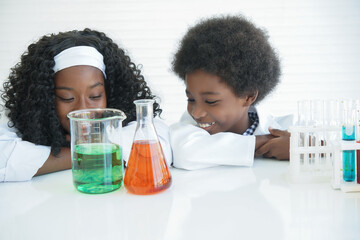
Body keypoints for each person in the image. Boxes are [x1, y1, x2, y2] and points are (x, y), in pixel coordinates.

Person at [0, 28, 172, 182]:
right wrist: (87, 150)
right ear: (44, 98)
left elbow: (161, 147)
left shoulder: (132, 121)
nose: (83, 110)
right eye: (67, 98)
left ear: (110, 92)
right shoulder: (24, 123)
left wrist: (90, 143)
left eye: (95, 96)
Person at [170, 15, 293, 170]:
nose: (197, 112)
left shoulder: (287, 126)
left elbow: (329, 143)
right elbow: (186, 153)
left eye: (210, 101)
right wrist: (268, 142)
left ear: (248, 96)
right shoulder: (187, 128)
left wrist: (306, 147)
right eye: (191, 99)